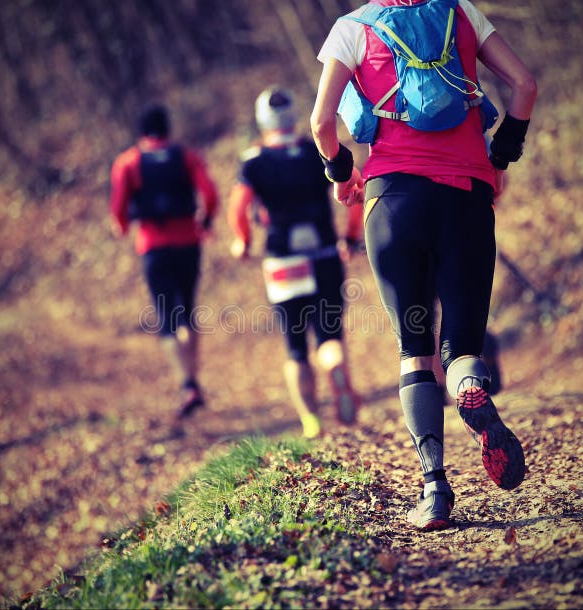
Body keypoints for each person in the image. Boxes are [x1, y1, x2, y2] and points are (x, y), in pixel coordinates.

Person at [311, 0, 537, 529]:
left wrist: (341, 172)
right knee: (461, 348)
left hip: (393, 203)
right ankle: (469, 390)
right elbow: (525, 86)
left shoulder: (352, 28)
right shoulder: (461, 13)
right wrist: (499, 157)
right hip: (467, 196)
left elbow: (322, 122)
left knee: (415, 351)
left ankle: (434, 489)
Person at [228, 86, 362, 439]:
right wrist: (350, 237)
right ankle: (336, 371)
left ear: (262, 120)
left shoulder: (254, 161)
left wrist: (242, 241)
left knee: (296, 348)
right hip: (324, 255)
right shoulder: (315, 152)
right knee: (329, 336)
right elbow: (353, 189)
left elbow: (238, 206)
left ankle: (311, 420)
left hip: (283, 263)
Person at [110, 104, 219, 421]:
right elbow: (210, 193)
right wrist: (206, 220)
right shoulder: (185, 156)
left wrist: (122, 226)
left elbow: (118, 206)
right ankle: (194, 380)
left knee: (166, 318)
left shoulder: (128, 162)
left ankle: (188, 384)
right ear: (168, 129)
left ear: (141, 131)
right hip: (188, 243)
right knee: (188, 313)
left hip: (153, 247)